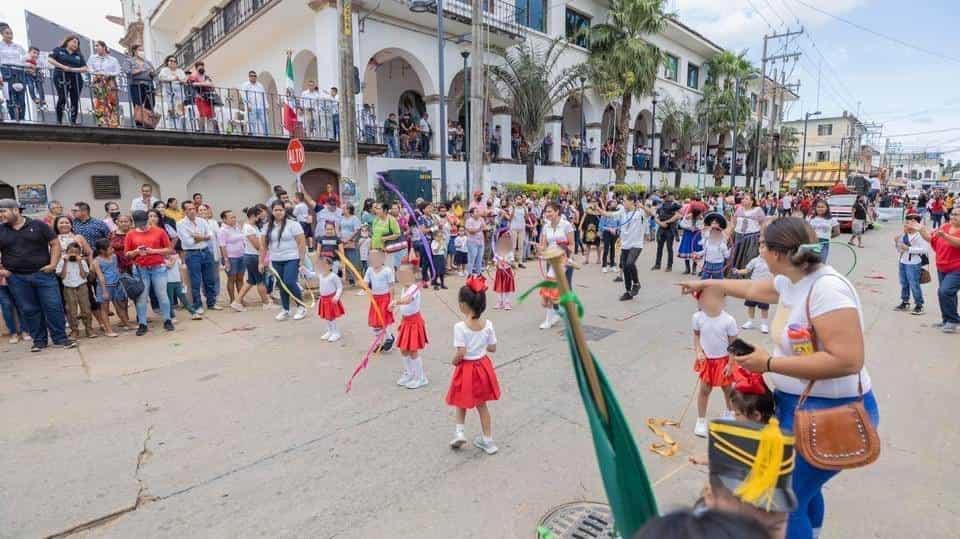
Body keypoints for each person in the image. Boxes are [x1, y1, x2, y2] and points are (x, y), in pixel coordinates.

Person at [678, 217, 879, 539]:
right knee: (803, 491)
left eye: (761, 245)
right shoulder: (792, 278)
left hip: (829, 411)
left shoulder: (827, 289)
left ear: (777, 253)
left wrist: (769, 363)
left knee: (782, 501)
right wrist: (707, 284)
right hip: (797, 406)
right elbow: (754, 288)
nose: (758, 250)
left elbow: (848, 360)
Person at [0, 200, 75, 351]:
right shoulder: (1, 230)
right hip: (17, 278)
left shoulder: (38, 225)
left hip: (44, 275)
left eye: (3, 211)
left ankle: (60, 338)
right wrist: (1, 269)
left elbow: (55, 243)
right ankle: (39, 341)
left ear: (15, 210)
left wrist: (53, 264)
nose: (1, 215)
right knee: (29, 309)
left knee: (53, 306)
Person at [447, 275, 501, 454]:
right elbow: (492, 347)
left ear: (463, 305)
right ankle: (488, 441)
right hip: (483, 367)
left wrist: (454, 360)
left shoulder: (460, 327)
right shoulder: (489, 324)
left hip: (467, 369)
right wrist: (481, 343)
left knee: (460, 401)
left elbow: (461, 353)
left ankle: (460, 432)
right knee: (482, 405)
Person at [691, 286, 738, 437]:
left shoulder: (729, 320)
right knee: (704, 390)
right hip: (707, 361)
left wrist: (731, 364)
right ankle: (701, 420)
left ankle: (730, 414)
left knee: (728, 389)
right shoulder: (697, 317)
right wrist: (698, 351)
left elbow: (733, 345)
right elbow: (697, 336)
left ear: (723, 300)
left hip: (724, 361)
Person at [124, 210, 174, 335]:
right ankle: (142, 323)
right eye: (138, 223)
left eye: (143, 222)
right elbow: (127, 254)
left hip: (158, 267)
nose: (141, 225)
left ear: (148, 219)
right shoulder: (130, 234)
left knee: (162, 295)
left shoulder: (159, 231)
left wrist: (152, 251)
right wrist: (136, 251)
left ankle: (167, 319)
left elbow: (168, 249)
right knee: (142, 297)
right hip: (141, 269)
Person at [913, 208, 960, 332]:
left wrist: (945, 236)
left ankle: (953, 320)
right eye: (952, 214)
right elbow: (932, 239)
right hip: (942, 267)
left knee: (945, 291)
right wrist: (921, 230)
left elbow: (957, 243)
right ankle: (947, 320)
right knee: (948, 294)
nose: (953, 216)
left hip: (957, 268)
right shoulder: (944, 226)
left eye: (957, 214)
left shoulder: (947, 231)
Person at [260, 201, 308, 321]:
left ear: (285, 211)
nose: (278, 212)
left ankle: (301, 307)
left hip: (292, 257)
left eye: (280, 210)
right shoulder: (267, 227)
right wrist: (261, 262)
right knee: (281, 284)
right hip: (276, 259)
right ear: (272, 211)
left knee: (289, 281)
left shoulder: (293, 224)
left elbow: (301, 243)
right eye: (276, 210)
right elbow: (263, 246)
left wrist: (302, 261)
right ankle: (285, 309)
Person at [538, 202, 576, 328]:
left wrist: (567, 257)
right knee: (550, 288)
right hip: (551, 261)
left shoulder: (566, 225)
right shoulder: (546, 226)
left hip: (565, 261)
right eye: (546, 212)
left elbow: (572, 244)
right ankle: (550, 318)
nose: (547, 214)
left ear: (557, 211)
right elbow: (543, 245)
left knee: (565, 288)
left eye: (550, 211)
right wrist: (541, 249)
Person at [177, 201, 218, 314]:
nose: (192, 211)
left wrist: (198, 236)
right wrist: (203, 237)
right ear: (184, 211)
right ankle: (198, 305)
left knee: (209, 279)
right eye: (189, 209)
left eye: (193, 209)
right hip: (192, 253)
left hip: (205, 251)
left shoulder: (202, 221)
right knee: (196, 281)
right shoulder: (181, 223)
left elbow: (210, 235)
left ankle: (211, 303)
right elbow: (188, 242)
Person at [392, 264, 429, 389]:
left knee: (413, 350)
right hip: (405, 322)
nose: (402, 277)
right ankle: (409, 373)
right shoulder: (404, 288)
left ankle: (420, 377)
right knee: (403, 349)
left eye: (405, 274)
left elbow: (408, 300)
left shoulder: (415, 288)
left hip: (414, 323)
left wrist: (396, 302)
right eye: (400, 274)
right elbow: (404, 305)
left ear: (413, 275)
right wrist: (395, 308)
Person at [236, 206, 274, 310]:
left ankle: (237, 301)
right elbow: (258, 245)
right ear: (253, 216)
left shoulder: (253, 226)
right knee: (260, 281)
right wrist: (265, 246)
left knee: (251, 281)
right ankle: (266, 303)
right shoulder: (248, 228)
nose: (261, 218)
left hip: (253, 256)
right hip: (253, 257)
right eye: (259, 215)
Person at [57, 242, 97, 338]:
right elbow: (62, 276)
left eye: (76, 253)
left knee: (86, 308)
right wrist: (65, 262)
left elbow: (84, 276)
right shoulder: (62, 262)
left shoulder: (82, 262)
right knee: (71, 310)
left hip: (81, 286)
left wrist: (79, 262)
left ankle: (89, 328)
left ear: (80, 253)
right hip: (68, 287)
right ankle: (74, 330)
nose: (73, 255)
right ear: (66, 252)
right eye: (71, 252)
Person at [894, 214, 929, 315]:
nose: (906, 224)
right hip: (903, 261)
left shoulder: (920, 235)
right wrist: (896, 243)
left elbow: (925, 250)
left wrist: (909, 249)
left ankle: (919, 305)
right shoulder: (904, 235)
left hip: (914, 263)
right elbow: (899, 250)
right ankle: (905, 302)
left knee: (914, 284)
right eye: (906, 222)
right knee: (904, 283)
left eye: (908, 222)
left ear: (915, 223)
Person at [47, 35, 86, 125]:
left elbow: (85, 68)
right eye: (74, 41)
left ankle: (73, 120)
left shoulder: (78, 55)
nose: (75, 44)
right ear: (67, 42)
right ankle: (59, 120)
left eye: (77, 43)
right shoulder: (59, 50)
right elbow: (50, 59)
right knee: (62, 97)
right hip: (61, 76)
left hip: (76, 78)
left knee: (75, 99)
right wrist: (63, 67)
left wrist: (72, 69)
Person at [91, 238, 128, 333]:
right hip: (105, 287)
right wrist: (104, 291)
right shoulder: (96, 261)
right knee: (105, 309)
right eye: (110, 248)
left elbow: (116, 270)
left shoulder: (114, 257)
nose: (113, 249)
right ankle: (109, 330)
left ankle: (126, 323)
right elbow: (100, 276)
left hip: (116, 284)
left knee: (120, 306)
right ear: (102, 251)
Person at [734, 253, 772, 334]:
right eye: (761, 248)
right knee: (750, 305)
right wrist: (738, 271)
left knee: (764, 307)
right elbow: (747, 270)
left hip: (765, 287)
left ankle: (764, 324)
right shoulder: (754, 260)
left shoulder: (771, 261)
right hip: (753, 286)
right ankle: (750, 321)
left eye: (765, 248)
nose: (762, 250)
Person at [364, 249, 396, 347]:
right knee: (375, 321)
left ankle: (389, 338)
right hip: (375, 299)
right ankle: (378, 342)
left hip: (385, 299)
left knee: (384, 320)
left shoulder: (387, 270)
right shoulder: (369, 270)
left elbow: (391, 286)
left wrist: (391, 301)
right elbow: (365, 282)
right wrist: (366, 288)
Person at [88, 41, 121, 128]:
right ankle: (101, 122)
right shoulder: (93, 58)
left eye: (98, 46)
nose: (96, 48)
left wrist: (108, 74)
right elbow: (89, 68)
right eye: (95, 46)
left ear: (104, 47)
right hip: (98, 81)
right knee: (99, 102)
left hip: (110, 81)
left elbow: (118, 71)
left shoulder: (113, 59)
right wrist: (97, 73)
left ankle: (113, 123)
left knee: (112, 101)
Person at [729, 194, 766, 272]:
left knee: (749, 256)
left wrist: (762, 235)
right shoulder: (739, 209)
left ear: (752, 201)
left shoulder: (758, 210)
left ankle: (745, 273)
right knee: (735, 254)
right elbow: (734, 222)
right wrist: (730, 234)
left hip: (752, 237)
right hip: (738, 235)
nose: (743, 200)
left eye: (746, 199)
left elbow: (763, 223)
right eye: (743, 199)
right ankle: (735, 272)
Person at [0, 22, 28, 121]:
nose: (10, 35)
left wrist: (28, 65)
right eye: (7, 33)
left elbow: (27, 56)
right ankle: (12, 118)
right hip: (5, 72)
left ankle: (22, 118)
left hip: (19, 72)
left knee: (21, 97)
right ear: (2, 34)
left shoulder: (18, 46)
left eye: (11, 33)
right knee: (9, 96)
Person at [218, 210, 246, 309]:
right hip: (230, 258)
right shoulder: (223, 230)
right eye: (231, 217)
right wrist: (226, 260)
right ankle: (232, 299)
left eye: (234, 217)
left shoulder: (237, 227)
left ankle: (240, 299)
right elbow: (222, 246)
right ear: (224, 219)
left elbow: (243, 240)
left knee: (240, 279)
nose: (234, 219)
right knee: (231, 279)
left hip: (241, 256)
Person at [315, 255, 344, 342]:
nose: (322, 267)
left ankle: (336, 332)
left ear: (330, 266)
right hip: (323, 300)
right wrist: (304, 270)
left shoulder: (333, 276)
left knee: (332, 317)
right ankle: (329, 331)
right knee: (327, 317)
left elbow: (340, 287)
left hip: (331, 300)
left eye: (324, 265)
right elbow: (311, 274)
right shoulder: (320, 275)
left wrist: (337, 296)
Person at [127, 45, 155, 128]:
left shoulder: (148, 62)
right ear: (135, 51)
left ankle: (148, 124)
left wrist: (152, 73)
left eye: (143, 50)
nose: (142, 52)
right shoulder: (129, 61)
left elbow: (153, 72)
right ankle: (139, 125)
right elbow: (128, 72)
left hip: (149, 85)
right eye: (140, 50)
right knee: (138, 104)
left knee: (151, 104)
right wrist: (140, 69)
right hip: (136, 85)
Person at [652, 192, 682, 271]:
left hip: (670, 228)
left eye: (667, 196)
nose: (665, 198)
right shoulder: (660, 206)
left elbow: (677, 215)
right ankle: (657, 264)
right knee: (659, 248)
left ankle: (669, 266)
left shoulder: (674, 206)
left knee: (669, 248)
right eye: (664, 197)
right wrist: (661, 223)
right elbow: (655, 217)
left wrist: (666, 222)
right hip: (661, 229)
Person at [164, 252, 198, 322]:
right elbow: (169, 266)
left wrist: (183, 281)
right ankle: (172, 316)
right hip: (168, 283)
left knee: (183, 298)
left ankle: (193, 313)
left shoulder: (176, 259)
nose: (168, 254)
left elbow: (180, 270)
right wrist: (175, 259)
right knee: (170, 301)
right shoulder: (163, 260)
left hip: (177, 282)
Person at [157, 55, 188, 130]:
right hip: (169, 94)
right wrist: (174, 78)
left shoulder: (180, 71)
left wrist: (178, 79)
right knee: (171, 111)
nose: (173, 62)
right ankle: (173, 128)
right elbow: (161, 78)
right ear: (167, 62)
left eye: (174, 61)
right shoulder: (164, 70)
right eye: (171, 61)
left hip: (179, 94)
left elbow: (184, 80)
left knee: (180, 112)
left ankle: (180, 128)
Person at [187, 61, 216, 133]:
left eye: (202, 66)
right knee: (202, 115)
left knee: (210, 115)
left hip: (208, 98)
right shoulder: (193, 76)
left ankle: (211, 132)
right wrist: (205, 84)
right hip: (199, 98)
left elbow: (211, 85)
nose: (202, 68)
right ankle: (201, 131)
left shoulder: (206, 76)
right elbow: (192, 85)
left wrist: (200, 84)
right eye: (200, 67)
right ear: (196, 68)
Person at [701, 214, 730, 280]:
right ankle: (701, 289)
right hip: (708, 263)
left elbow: (726, 255)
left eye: (716, 223)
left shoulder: (722, 243)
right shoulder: (708, 241)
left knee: (717, 280)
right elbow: (704, 251)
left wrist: (730, 251)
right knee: (704, 278)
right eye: (712, 223)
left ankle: (718, 289)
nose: (713, 224)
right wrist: (697, 254)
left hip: (718, 264)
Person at [492, 235, 516, 310]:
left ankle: (507, 302)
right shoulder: (497, 252)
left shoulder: (510, 252)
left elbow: (512, 263)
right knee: (499, 287)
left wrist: (507, 262)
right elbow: (495, 262)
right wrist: (496, 263)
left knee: (507, 288)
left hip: (507, 272)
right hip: (499, 272)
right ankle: (500, 302)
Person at [240, 70, 268, 136]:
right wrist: (247, 105)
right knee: (253, 123)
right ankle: (254, 136)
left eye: (255, 76)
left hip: (261, 107)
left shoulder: (260, 85)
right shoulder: (245, 85)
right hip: (252, 107)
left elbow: (264, 95)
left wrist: (266, 106)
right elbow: (243, 96)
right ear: (249, 77)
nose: (253, 77)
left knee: (265, 122)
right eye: (252, 76)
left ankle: (266, 135)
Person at [678, 208, 704, 276]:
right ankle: (687, 268)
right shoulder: (687, 216)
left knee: (696, 251)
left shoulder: (700, 218)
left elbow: (702, 226)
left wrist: (697, 227)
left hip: (696, 235)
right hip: (688, 235)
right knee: (687, 250)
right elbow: (681, 224)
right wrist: (689, 227)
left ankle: (694, 268)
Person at [464, 207, 486, 276]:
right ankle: (469, 274)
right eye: (476, 212)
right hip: (472, 242)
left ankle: (479, 273)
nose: (478, 213)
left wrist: (484, 228)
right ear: (472, 214)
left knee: (479, 258)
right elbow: (471, 231)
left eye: (478, 211)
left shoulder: (481, 219)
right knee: (472, 258)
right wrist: (479, 228)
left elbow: (485, 227)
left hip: (481, 242)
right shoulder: (469, 221)